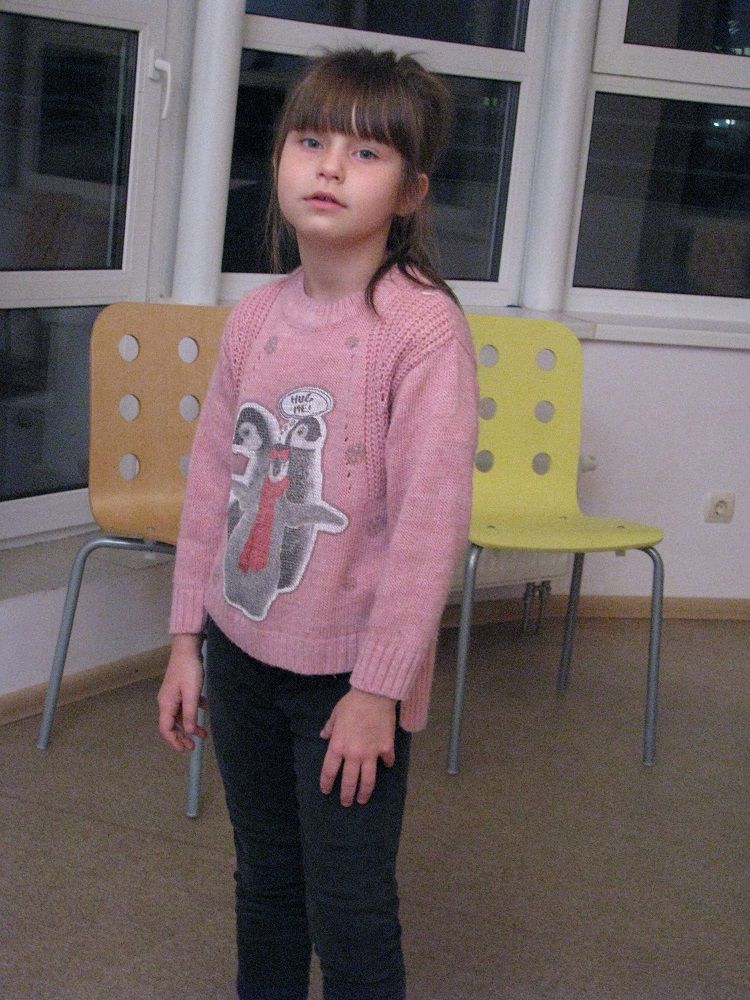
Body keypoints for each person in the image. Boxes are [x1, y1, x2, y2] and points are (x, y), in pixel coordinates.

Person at [158, 47, 478, 1000]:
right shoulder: (254, 317)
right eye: (310, 141)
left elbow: (427, 529)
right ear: (280, 160)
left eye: (366, 152)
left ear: (410, 193)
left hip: (348, 681)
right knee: (264, 883)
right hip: (240, 654)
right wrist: (186, 640)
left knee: (350, 910)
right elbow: (213, 484)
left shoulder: (421, 331)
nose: (330, 166)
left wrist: (379, 690)